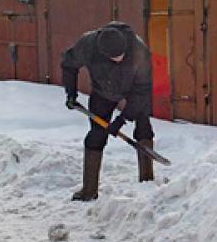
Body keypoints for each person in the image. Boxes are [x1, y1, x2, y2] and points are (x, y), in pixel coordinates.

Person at [62, 21, 154, 201]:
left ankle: (147, 183)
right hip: (102, 92)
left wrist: (121, 120)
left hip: (133, 91)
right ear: (103, 53)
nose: (119, 59)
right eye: (114, 57)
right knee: (96, 135)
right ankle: (89, 190)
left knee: (144, 128)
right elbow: (68, 64)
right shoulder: (88, 45)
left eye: (122, 55)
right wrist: (71, 92)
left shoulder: (138, 51)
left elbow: (142, 91)